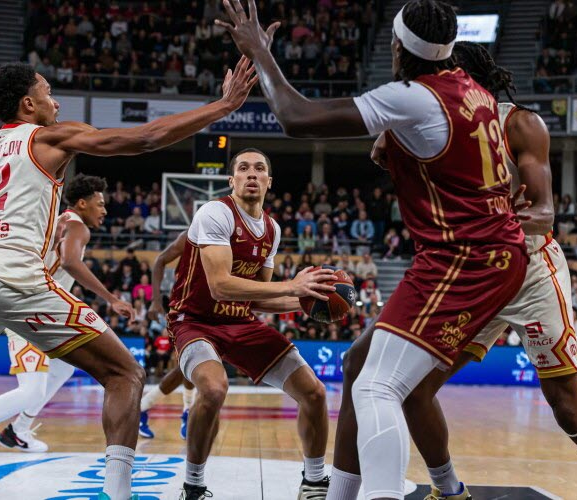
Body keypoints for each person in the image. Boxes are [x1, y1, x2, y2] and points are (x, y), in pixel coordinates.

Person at [217, 4, 536, 498]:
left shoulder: (412, 96)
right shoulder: (473, 90)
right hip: (486, 253)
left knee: (375, 387)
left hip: (464, 261)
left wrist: (258, 51)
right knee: (358, 367)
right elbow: (482, 174)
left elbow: (295, 117)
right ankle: (354, 494)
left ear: (398, 48)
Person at [0, 59, 258, 500]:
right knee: (125, 374)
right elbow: (145, 138)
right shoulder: (48, 137)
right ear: (28, 103)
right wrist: (222, 106)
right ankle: (119, 493)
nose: (55, 101)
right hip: (15, 279)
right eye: (47, 92)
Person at [325, 40, 577, 500]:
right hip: (469, 270)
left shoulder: (520, 123)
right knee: (410, 388)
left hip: (529, 267)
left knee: (567, 407)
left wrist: (487, 225)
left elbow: (545, 213)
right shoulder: (435, 125)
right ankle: (450, 490)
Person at [166, 149, 335, 500]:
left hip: (241, 321)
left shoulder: (271, 229)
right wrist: (293, 287)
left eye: (260, 168)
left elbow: (257, 298)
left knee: (314, 393)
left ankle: (314, 482)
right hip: (195, 321)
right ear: (233, 180)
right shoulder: (215, 212)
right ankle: (193, 486)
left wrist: (306, 303)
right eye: (243, 168)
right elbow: (221, 285)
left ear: (269, 182)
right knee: (213, 389)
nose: (252, 173)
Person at [0, 174, 118, 467]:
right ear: (82, 203)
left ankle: (18, 430)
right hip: (29, 312)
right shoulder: (77, 226)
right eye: (100, 203)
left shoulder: (58, 220)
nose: (104, 210)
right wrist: (112, 298)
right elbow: (70, 262)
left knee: (65, 368)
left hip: (39, 311)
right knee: (31, 389)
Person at [139, 231, 197, 440]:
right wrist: (155, 300)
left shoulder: (230, 240)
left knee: (189, 366)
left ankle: (144, 407)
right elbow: (160, 260)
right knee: (191, 362)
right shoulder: (191, 235)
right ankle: (187, 411)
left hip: (208, 310)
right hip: (184, 309)